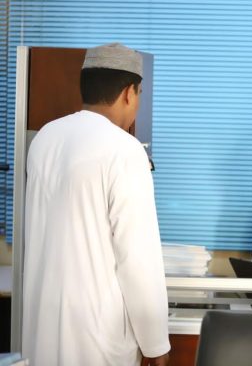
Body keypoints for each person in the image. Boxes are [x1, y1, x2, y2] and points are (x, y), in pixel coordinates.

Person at [22, 43, 171, 366]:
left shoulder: (44, 139)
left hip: (41, 331)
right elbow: (137, 258)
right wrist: (156, 345)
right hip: (96, 340)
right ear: (129, 93)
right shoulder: (125, 150)